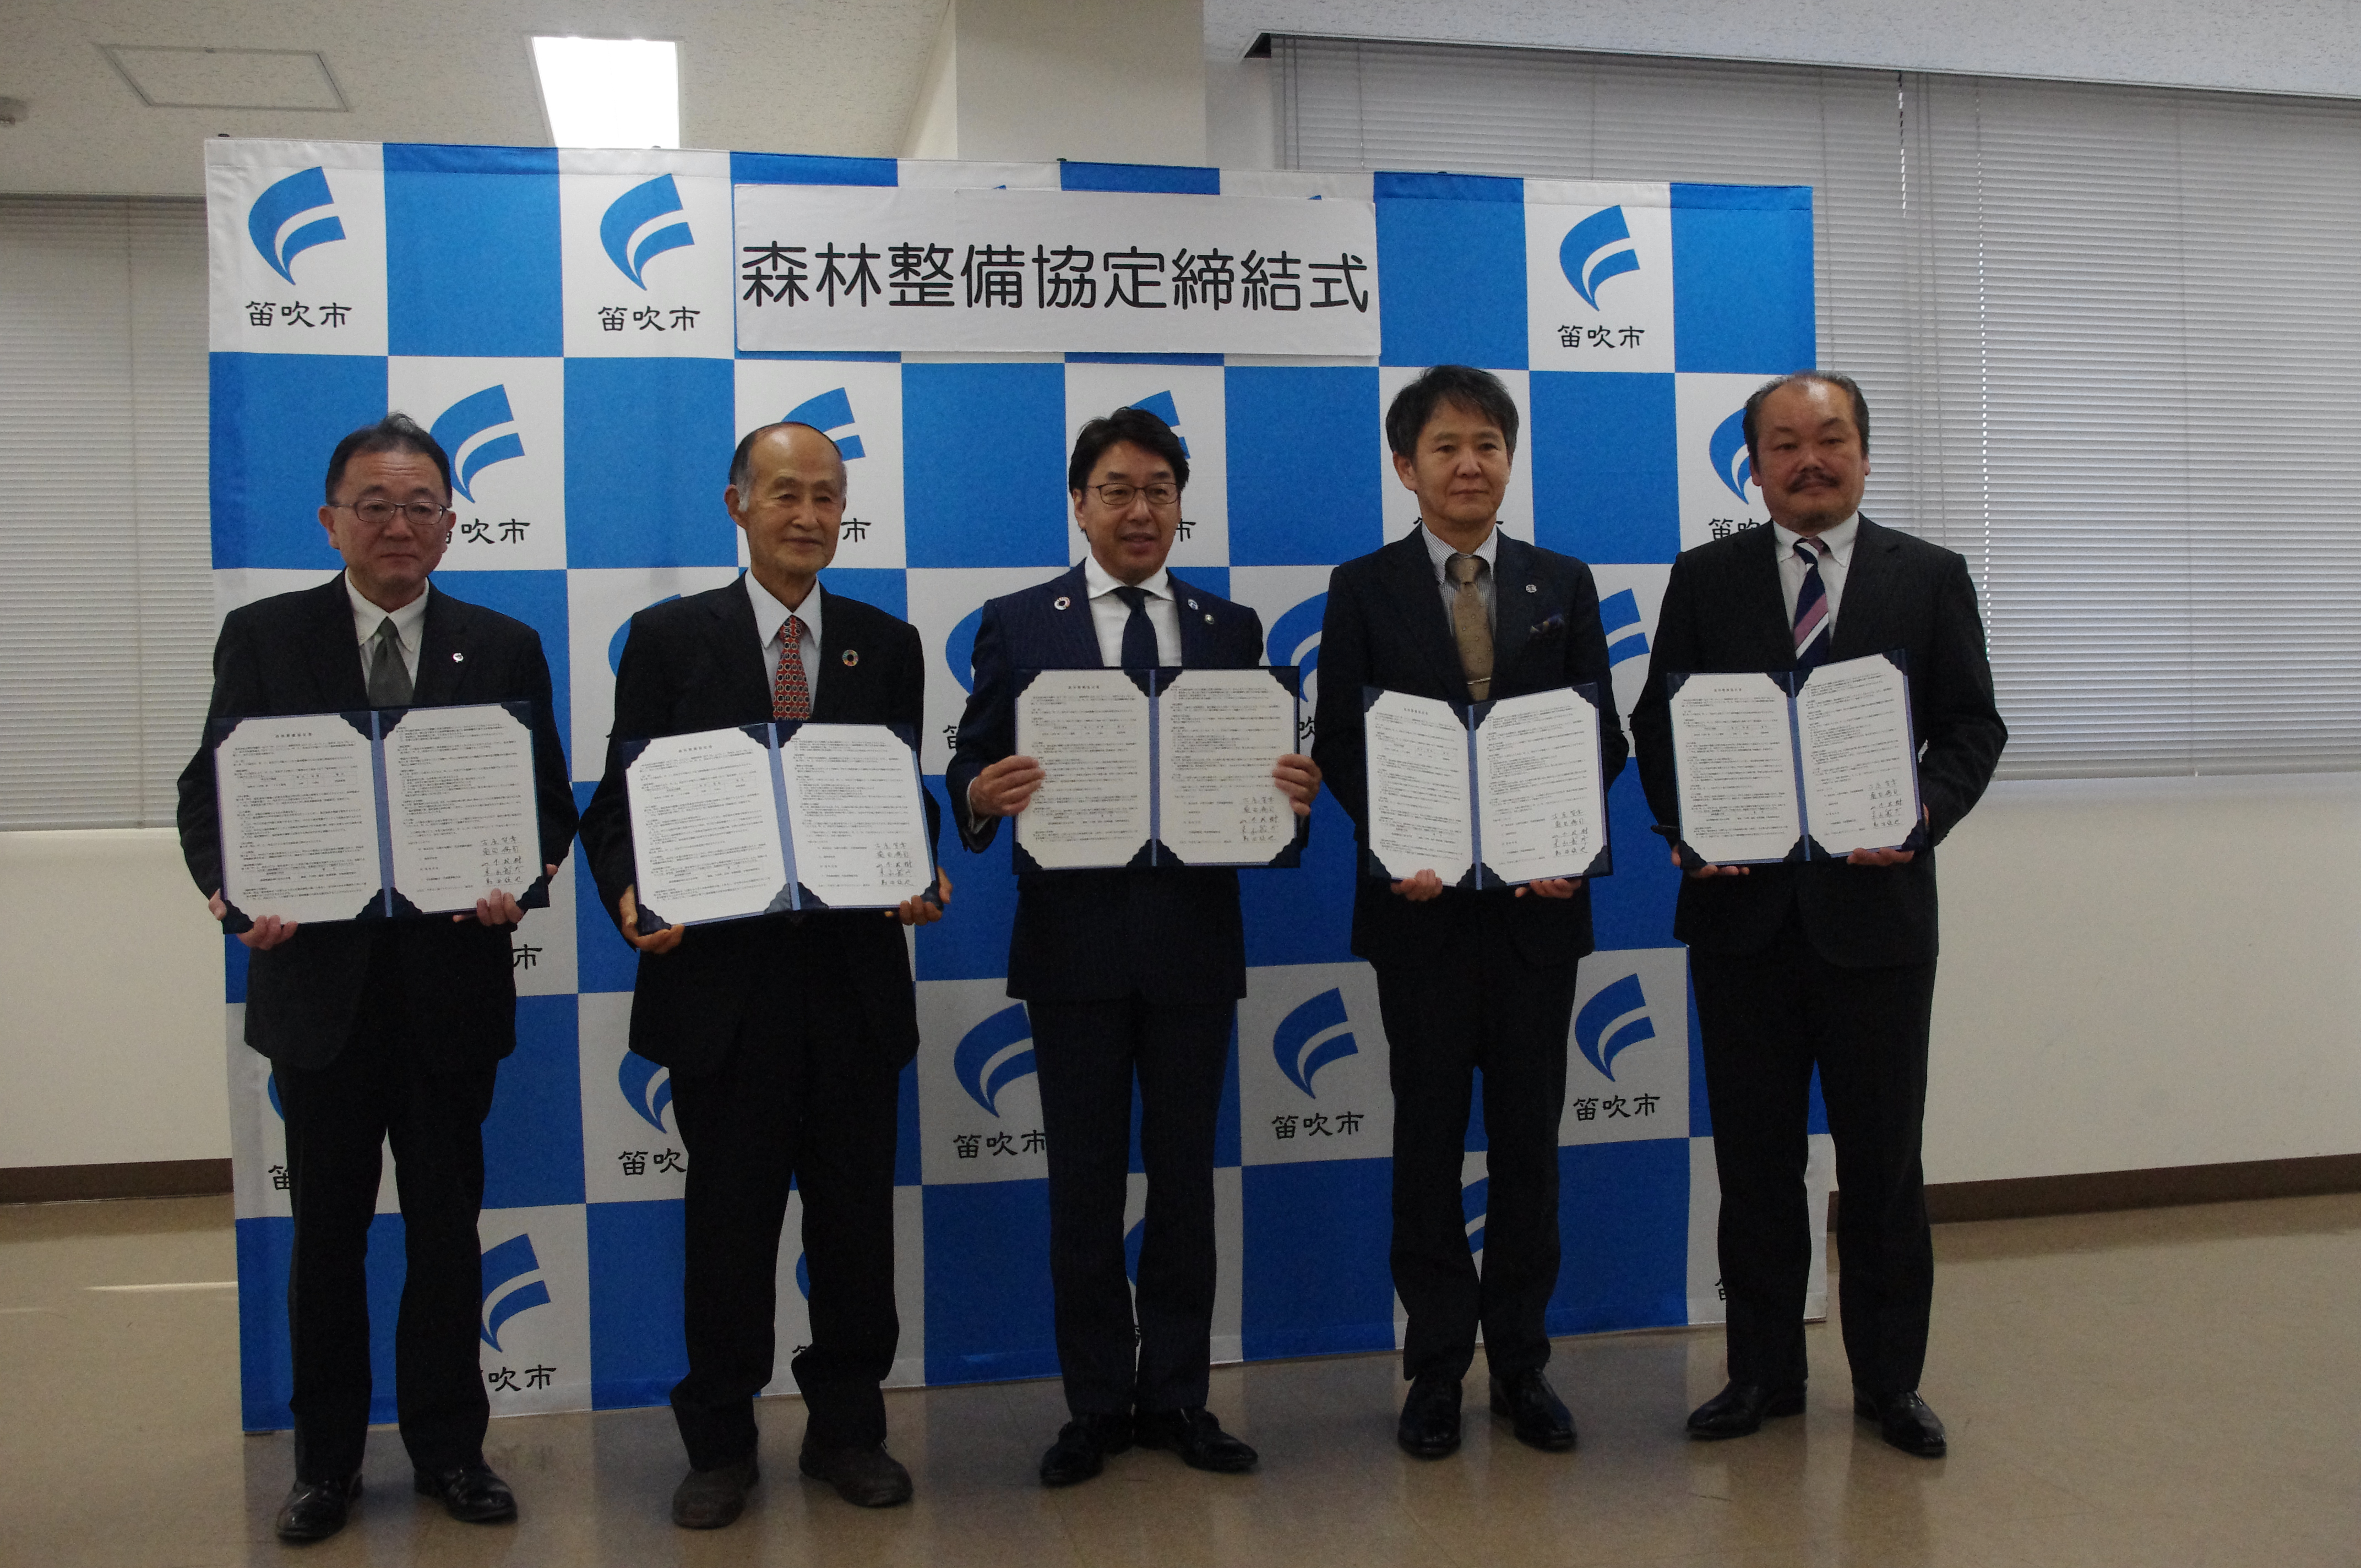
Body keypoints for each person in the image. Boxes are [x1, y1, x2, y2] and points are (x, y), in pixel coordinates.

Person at [175, 414, 578, 1542]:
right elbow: (211, 792)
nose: (398, 525)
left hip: (452, 995)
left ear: (451, 523)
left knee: (447, 1234)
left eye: (420, 506)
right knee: (327, 1240)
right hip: (319, 998)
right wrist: (233, 894)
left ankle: (452, 1450)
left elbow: (547, 804)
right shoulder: (264, 636)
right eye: (374, 504)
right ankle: (326, 1464)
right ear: (331, 520)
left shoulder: (504, 644)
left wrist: (519, 879)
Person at [577, 422, 948, 1527]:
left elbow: (897, 793)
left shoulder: (885, 642)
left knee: (854, 1232)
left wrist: (918, 864)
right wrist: (629, 892)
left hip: (852, 989)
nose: (809, 515)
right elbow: (619, 803)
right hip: (720, 994)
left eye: (827, 495)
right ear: (737, 504)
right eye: (785, 493)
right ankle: (720, 1444)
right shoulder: (667, 639)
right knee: (727, 1231)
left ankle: (847, 1431)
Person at [1631, 372, 2005, 1458]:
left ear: (1864, 455)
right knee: (1754, 1163)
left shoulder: (1928, 576)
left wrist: (1921, 813)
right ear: (1753, 468)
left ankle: (1890, 1384)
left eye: (1830, 438)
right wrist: (1688, 821)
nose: (1809, 460)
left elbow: (1972, 727)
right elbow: (1660, 725)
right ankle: (1762, 1373)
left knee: (1883, 1163)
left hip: (1877, 920)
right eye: (1785, 444)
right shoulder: (1705, 578)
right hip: (1740, 919)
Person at [947, 405, 1320, 1487]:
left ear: (1179, 505)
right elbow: (971, 765)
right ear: (1080, 504)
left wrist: (1289, 798)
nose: (1140, 510)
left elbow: (1259, 791)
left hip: (1192, 947)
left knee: (1185, 1184)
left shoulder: (1228, 626)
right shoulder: (1019, 622)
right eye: (1117, 489)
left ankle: (1178, 1397)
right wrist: (979, 793)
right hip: (1070, 952)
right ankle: (1095, 1404)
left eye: (1159, 490)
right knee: (1083, 1186)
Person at [1312, 365, 1627, 1460]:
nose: (1468, 465)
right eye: (1445, 446)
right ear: (1405, 466)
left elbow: (1600, 736)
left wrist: (1565, 841)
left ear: (1509, 459)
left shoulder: (1562, 582)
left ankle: (1523, 1365)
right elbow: (1341, 741)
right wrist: (1398, 842)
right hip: (1421, 914)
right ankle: (1438, 1367)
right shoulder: (1361, 587)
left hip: (1538, 917)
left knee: (1530, 1145)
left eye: (1487, 444)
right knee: (1428, 1140)